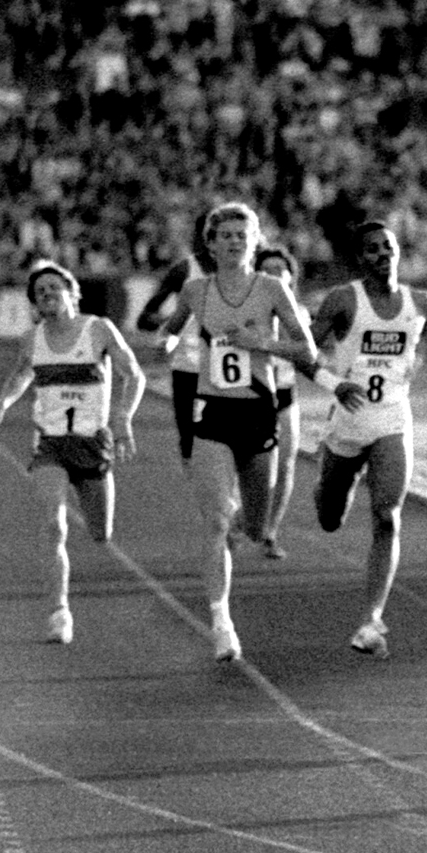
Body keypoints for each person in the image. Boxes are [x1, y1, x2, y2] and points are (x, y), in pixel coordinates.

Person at [308, 221, 427, 659]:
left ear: (399, 252)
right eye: (372, 249)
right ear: (359, 258)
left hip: (392, 420)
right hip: (347, 422)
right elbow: (305, 354)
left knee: (387, 516)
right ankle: (326, 482)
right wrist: (333, 384)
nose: (382, 254)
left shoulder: (420, 302)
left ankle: (371, 620)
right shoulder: (344, 300)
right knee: (330, 516)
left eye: (389, 246)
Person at [161, 202, 317, 661]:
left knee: (252, 523)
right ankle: (221, 621)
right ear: (209, 244)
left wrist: (262, 343)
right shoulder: (195, 290)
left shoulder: (271, 289)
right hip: (212, 412)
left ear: (254, 242)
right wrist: (166, 343)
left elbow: (306, 350)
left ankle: (241, 519)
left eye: (240, 234)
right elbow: (172, 331)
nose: (232, 241)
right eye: (224, 235)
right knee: (214, 522)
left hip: (259, 412)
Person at [0, 261, 146, 644]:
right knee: (54, 524)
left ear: (72, 293)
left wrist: (123, 416)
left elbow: (133, 374)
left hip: (92, 443)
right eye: (40, 293)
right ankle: (60, 612)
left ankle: (94, 520)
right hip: (50, 444)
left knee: (100, 533)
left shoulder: (98, 330)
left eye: (54, 288)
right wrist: (2, 404)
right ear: (35, 304)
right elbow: (23, 373)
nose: (47, 296)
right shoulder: (33, 338)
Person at [135, 213, 215, 465]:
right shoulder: (183, 270)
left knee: (224, 435)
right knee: (188, 440)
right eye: (206, 233)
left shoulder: (242, 271)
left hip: (225, 364)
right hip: (187, 364)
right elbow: (145, 318)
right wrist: (176, 320)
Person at [254, 242, 312, 560]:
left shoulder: (299, 314)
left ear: (291, 276)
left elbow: (307, 354)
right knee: (251, 467)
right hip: (249, 395)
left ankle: (270, 532)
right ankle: (236, 522)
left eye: (281, 270)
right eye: (268, 270)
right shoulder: (245, 309)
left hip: (285, 396)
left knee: (286, 466)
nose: (276, 275)